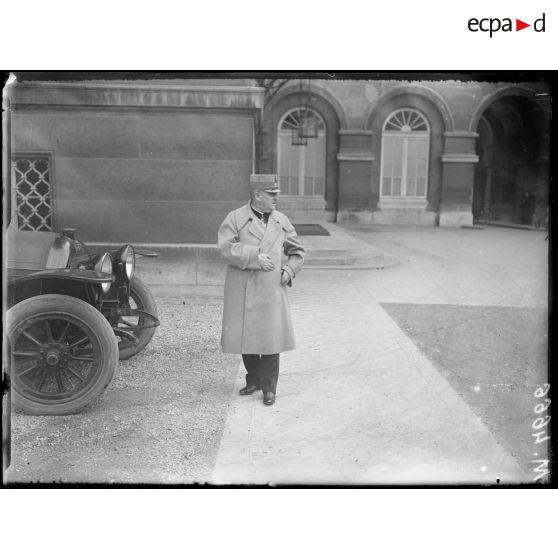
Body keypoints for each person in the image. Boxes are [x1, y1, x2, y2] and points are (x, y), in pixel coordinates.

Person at [217, 174, 305, 406]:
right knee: (247, 336)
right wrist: (255, 256)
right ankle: (253, 379)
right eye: (272, 194)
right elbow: (225, 249)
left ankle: (269, 387)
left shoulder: (281, 221)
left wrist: (289, 270)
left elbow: (298, 252)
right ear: (257, 195)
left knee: (270, 337)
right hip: (243, 287)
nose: (276, 199)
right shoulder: (235, 218)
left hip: (270, 288)